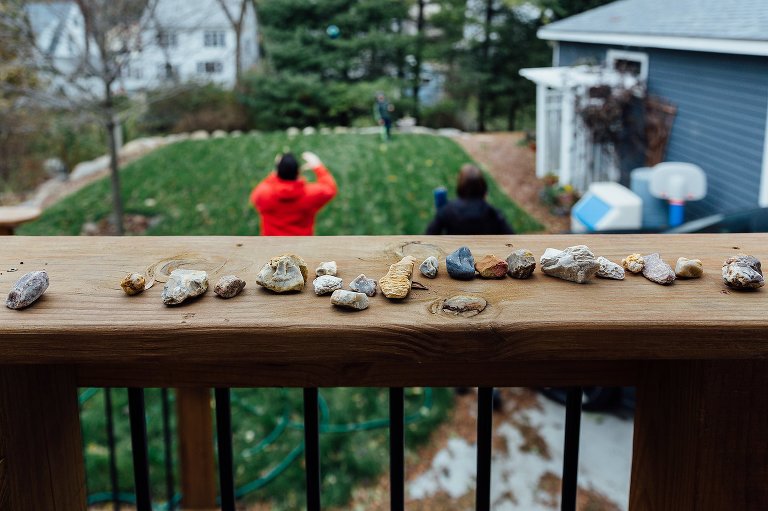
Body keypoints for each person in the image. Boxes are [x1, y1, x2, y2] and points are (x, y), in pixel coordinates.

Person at [250, 151, 337, 236]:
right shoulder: (311, 195)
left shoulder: (264, 194)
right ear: (298, 172)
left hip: (272, 244)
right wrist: (318, 166)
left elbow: (257, 194)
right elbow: (330, 188)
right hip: (301, 244)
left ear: (277, 172)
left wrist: (277, 170)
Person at [426, 164, 514, 235]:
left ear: (460, 186)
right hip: (485, 254)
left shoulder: (447, 210)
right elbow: (510, 236)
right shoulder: (492, 213)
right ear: (483, 187)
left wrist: (440, 212)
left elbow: (429, 235)